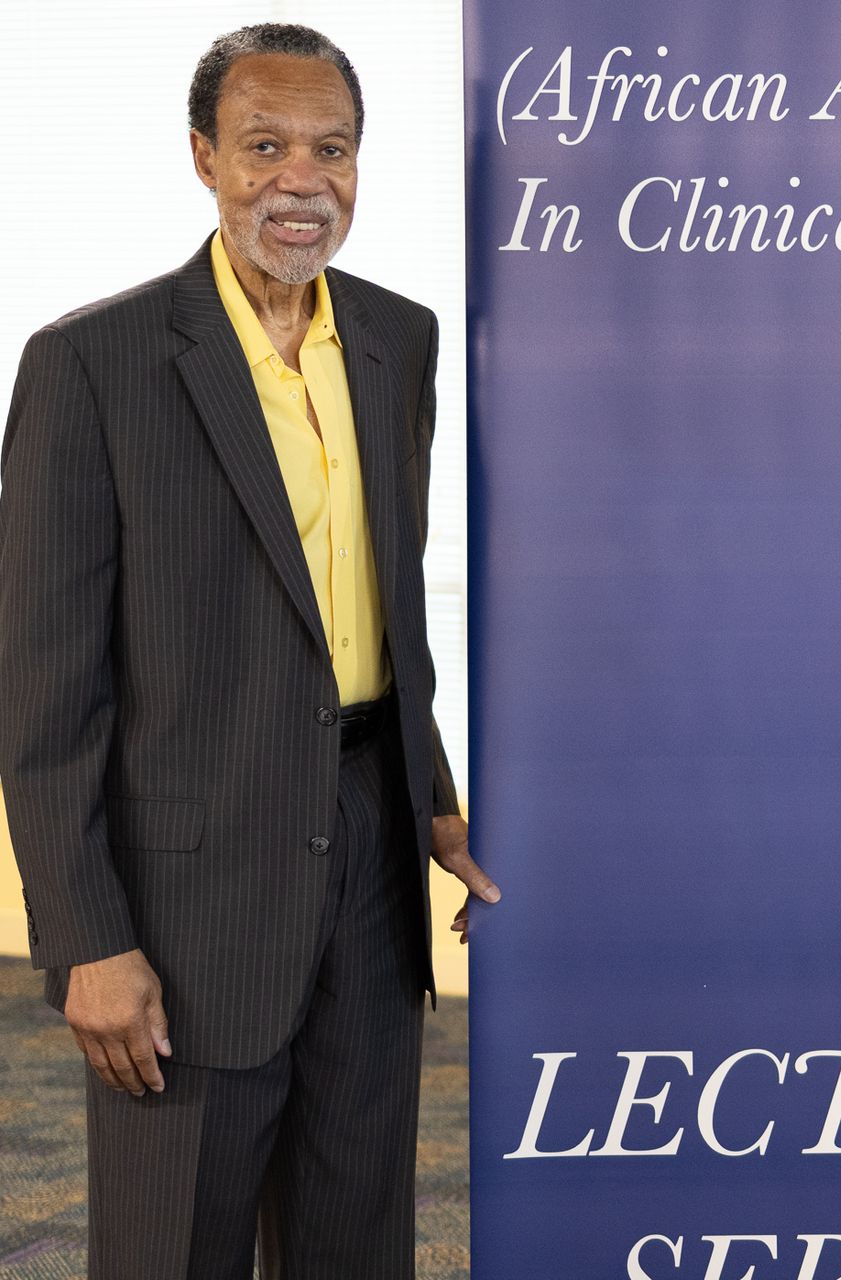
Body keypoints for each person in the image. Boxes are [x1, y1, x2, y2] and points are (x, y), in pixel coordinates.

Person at [0, 24, 497, 1279]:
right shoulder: (90, 366)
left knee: (359, 1242)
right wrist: (85, 938)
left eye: (331, 150)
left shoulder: (400, 340)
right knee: (178, 1249)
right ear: (204, 157)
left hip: (370, 868)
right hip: (185, 904)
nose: (300, 179)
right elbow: (45, 688)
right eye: (264, 145)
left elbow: (381, 611)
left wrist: (431, 800)